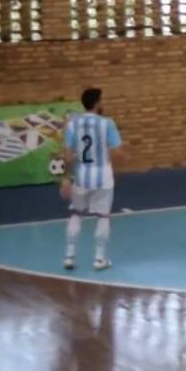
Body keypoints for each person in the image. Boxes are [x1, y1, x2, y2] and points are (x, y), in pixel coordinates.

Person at [61, 87, 123, 271]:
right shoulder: (107, 124)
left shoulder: (72, 124)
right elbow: (117, 151)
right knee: (103, 217)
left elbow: (67, 154)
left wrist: (65, 178)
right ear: (97, 103)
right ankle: (99, 259)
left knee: (75, 214)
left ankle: (69, 256)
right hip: (103, 176)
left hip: (81, 176)